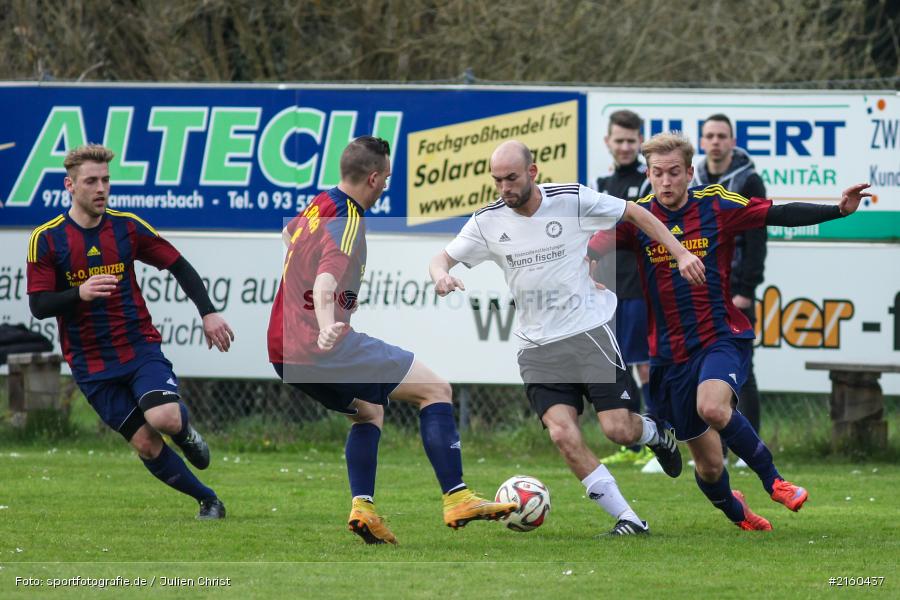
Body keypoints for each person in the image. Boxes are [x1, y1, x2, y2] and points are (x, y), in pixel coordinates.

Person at [589, 131, 871, 530]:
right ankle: (740, 513)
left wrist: (838, 211)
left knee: (714, 407)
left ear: (689, 172)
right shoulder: (639, 218)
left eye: (674, 173)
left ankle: (775, 482)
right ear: (649, 175)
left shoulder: (717, 205)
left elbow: (777, 213)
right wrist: (587, 267)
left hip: (719, 336)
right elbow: (593, 245)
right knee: (708, 466)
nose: (666, 182)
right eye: (657, 174)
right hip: (669, 357)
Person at [429, 140, 705, 536]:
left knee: (618, 430)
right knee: (562, 434)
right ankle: (629, 519)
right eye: (497, 180)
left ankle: (653, 433)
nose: (504, 187)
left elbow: (634, 212)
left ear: (533, 172)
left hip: (588, 333)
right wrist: (441, 275)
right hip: (537, 347)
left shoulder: (571, 199)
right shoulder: (487, 221)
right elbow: (442, 257)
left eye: (511, 178)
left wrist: (680, 253)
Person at [267, 136, 517, 545]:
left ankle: (363, 508)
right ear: (373, 178)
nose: (386, 186)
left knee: (368, 413)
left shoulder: (319, 204)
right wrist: (328, 324)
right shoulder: (348, 218)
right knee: (435, 390)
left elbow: (289, 237)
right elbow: (326, 280)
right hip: (321, 344)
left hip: (282, 351)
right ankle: (457, 497)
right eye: (386, 178)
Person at [26, 144, 234, 520]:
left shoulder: (126, 227)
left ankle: (186, 434)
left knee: (165, 419)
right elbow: (39, 306)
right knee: (146, 443)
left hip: (138, 348)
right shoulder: (47, 239)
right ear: (70, 185)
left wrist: (208, 313)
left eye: (105, 180)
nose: (101, 188)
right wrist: (79, 293)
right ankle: (208, 500)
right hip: (90, 363)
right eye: (91, 181)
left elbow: (180, 266)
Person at [693, 114, 767, 459]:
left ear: (732, 140)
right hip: (699, 289)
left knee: (743, 368)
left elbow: (757, 238)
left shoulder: (749, 179)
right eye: (710, 135)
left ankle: (749, 444)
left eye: (722, 135)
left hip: (734, 288)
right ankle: (714, 445)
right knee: (702, 367)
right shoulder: (692, 177)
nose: (716, 141)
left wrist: (747, 287)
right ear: (702, 141)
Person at [594, 109, 655, 468]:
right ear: (608, 142)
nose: (625, 147)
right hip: (605, 292)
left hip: (637, 289)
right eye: (619, 140)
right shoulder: (600, 185)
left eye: (632, 141)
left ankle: (654, 437)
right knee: (616, 366)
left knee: (645, 367)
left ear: (640, 143)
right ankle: (631, 441)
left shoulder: (647, 183)